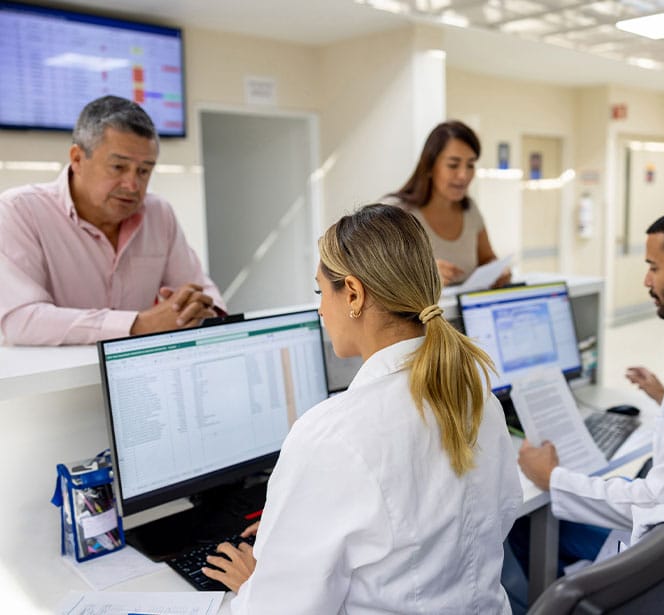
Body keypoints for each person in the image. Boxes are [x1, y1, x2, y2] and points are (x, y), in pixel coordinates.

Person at [201, 204, 522, 613]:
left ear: (352, 293)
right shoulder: (477, 396)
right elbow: (487, 517)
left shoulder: (333, 436)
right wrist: (301, 526)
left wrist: (256, 584)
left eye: (321, 292)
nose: (320, 309)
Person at [513, 212, 664, 579]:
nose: (646, 280)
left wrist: (552, 479)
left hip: (655, 548)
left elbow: (654, 502)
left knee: (525, 524)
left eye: (654, 267)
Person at [0, 95, 224, 346]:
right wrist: (140, 324)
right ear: (77, 159)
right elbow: (21, 320)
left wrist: (199, 310)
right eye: (118, 167)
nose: (132, 185)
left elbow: (201, 290)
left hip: (137, 377)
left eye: (144, 171)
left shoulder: (159, 214)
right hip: (56, 383)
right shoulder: (19, 211)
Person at [385, 120, 511, 287]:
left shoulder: (470, 210)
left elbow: (487, 258)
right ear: (429, 166)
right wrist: (421, 273)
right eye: (453, 165)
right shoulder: (397, 213)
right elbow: (376, 277)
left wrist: (497, 270)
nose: (463, 175)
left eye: (470, 165)